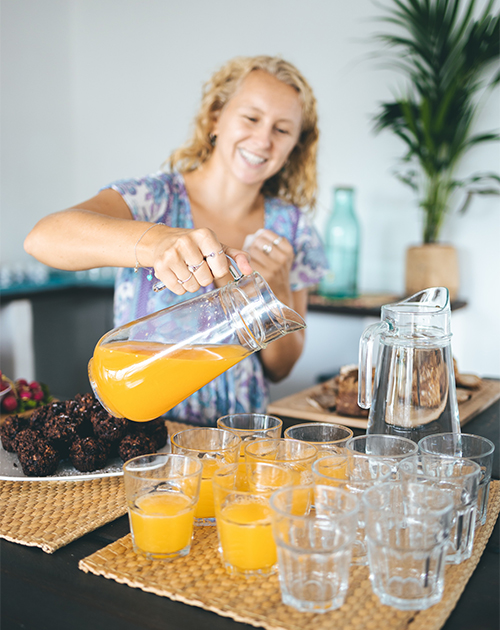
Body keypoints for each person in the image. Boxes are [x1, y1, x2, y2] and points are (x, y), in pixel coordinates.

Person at [24, 55, 328, 425]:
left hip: (238, 436)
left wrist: (273, 294)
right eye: (251, 118)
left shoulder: (293, 229)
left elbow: (281, 368)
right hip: (143, 427)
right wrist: (156, 242)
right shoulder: (155, 201)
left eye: (282, 130)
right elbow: (43, 238)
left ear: (296, 144)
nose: (263, 139)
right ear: (217, 116)